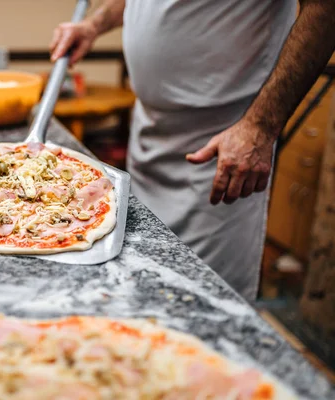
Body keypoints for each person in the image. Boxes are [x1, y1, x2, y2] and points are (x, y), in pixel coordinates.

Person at [50, 0, 335, 301]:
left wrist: (260, 126)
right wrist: (94, 24)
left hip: (222, 142)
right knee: (138, 288)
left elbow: (325, 7)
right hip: (149, 133)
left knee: (202, 299)